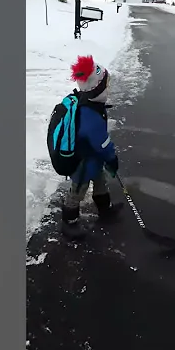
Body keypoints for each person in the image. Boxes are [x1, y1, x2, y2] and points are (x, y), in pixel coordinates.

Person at [61, 55, 124, 240]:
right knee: (78, 190)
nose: (108, 88)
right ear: (96, 88)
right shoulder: (90, 116)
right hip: (83, 162)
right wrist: (112, 160)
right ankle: (69, 223)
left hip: (93, 158)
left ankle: (105, 210)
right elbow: (102, 144)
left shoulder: (91, 104)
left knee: (100, 181)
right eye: (106, 85)